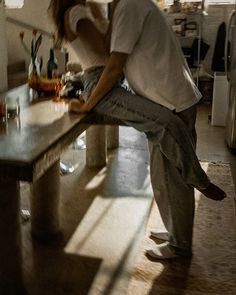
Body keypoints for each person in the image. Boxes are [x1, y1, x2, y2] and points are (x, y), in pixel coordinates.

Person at [48, 0, 226, 259]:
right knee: (163, 174)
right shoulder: (114, 8)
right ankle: (177, 233)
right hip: (158, 95)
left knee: (171, 174)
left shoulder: (128, 6)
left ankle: (180, 239)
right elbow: (110, 58)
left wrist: (101, 17)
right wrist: (88, 104)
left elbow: (113, 60)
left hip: (169, 97)